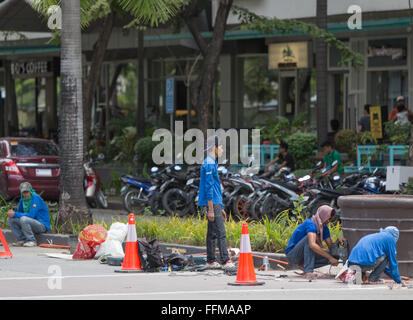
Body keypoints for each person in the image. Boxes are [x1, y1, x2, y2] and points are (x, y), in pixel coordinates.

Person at [198, 135, 235, 270]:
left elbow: (215, 187)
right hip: (212, 202)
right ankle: (225, 260)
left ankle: (211, 260)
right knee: (221, 232)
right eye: (220, 146)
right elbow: (208, 187)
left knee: (212, 233)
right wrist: (212, 208)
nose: (222, 149)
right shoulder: (209, 163)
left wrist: (221, 206)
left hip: (216, 202)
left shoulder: (212, 162)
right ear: (214, 148)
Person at [285, 205, 340, 279]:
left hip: (305, 255)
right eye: (328, 218)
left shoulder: (324, 227)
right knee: (310, 240)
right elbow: (312, 245)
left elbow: (330, 246)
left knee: (335, 255)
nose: (328, 221)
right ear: (322, 215)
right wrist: (330, 258)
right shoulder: (311, 224)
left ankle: (304, 265)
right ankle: (308, 271)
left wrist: (338, 242)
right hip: (293, 255)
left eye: (330, 219)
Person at [6, 182, 50, 247]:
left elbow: (31, 215)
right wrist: (12, 214)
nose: (26, 194)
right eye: (24, 192)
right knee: (10, 219)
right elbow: (19, 213)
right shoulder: (22, 199)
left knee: (24, 219)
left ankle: (32, 241)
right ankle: (22, 240)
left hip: (41, 225)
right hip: (30, 223)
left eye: (27, 192)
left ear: (30, 191)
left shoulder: (35, 198)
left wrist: (15, 214)